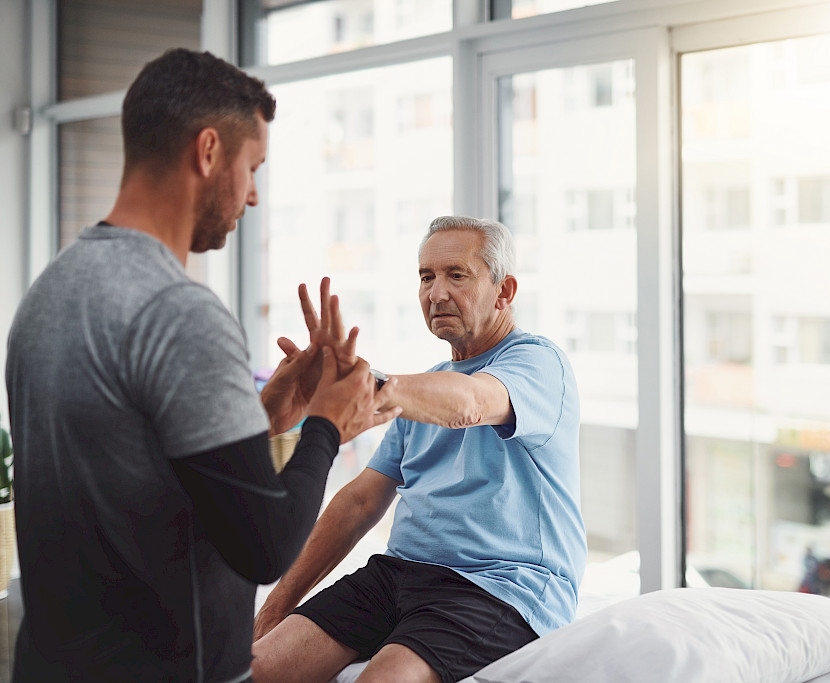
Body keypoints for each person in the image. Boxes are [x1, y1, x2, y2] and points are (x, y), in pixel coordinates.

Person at [4, 48, 399, 682]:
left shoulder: (48, 293)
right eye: (252, 168)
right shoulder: (179, 311)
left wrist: (262, 419)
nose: (253, 197)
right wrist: (326, 425)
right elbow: (264, 543)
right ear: (209, 150)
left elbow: (127, 462)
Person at [251, 216, 587, 683]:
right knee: (254, 670)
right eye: (426, 277)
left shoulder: (538, 362)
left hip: (499, 587)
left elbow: (470, 403)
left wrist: (359, 386)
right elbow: (359, 502)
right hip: (397, 576)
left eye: (457, 274)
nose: (437, 292)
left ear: (505, 291)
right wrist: (275, 609)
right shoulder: (422, 388)